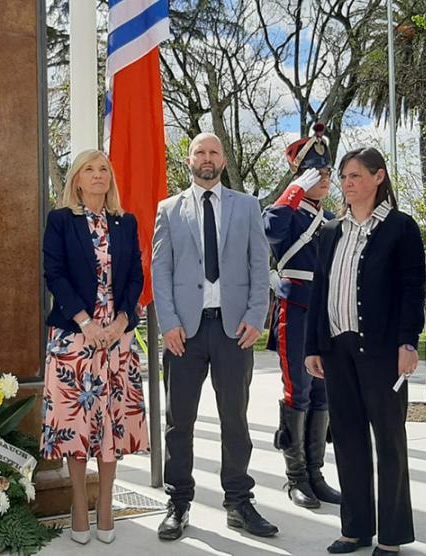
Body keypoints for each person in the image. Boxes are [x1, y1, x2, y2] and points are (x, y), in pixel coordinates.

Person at [152, 132, 276, 540]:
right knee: (179, 421)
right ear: (188, 159)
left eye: (214, 152)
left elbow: (261, 266)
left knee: (235, 419)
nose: (207, 158)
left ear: (224, 159)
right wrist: (168, 322)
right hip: (183, 333)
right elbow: (160, 270)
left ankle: (239, 501)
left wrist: (257, 316)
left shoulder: (246, 206)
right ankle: (178, 501)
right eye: (199, 152)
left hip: (234, 329)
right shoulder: (168, 209)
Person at [304, 147, 425, 556]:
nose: (347, 183)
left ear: (378, 177)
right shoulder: (330, 230)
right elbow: (319, 292)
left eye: (356, 175)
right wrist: (313, 347)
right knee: (350, 440)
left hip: (383, 352)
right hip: (337, 351)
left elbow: (413, 291)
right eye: (344, 176)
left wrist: (408, 343)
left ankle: (391, 536)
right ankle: (355, 530)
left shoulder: (401, 228)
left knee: (389, 441)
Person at [40, 149, 149, 545]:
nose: (99, 174)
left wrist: (121, 321)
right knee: (76, 425)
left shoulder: (125, 222)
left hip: (117, 340)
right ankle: (78, 504)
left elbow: (136, 276)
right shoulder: (60, 221)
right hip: (74, 339)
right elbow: (54, 272)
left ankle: (105, 504)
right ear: (77, 179)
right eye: (90, 168)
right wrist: (86, 322)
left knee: (111, 425)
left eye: (104, 168)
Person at [264, 123, 342, 509]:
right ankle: (295, 478)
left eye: (328, 173)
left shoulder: (330, 218)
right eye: (317, 173)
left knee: (323, 390)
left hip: (325, 309)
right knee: (299, 389)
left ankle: (316, 473)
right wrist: (293, 190)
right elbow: (270, 230)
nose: (325, 179)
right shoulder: (289, 211)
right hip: (295, 307)